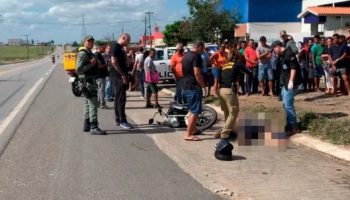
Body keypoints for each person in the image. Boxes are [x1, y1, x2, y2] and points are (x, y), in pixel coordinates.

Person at [215, 52, 251, 139]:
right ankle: (225, 133)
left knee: (227, 112)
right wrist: (250, 73)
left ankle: (229, 130)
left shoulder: (224, 65)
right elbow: (247, 71)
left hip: (221, 90)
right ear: (238, 57)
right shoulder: (237, 63)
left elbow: (219, 79)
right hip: (228, 91)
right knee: (234, 112)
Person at [76, 35, 106, 135]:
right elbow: (79, 70)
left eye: (92, 41)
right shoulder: (83, 54)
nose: (90, 43)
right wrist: (91, 65)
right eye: (88, 41)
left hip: (89, 81)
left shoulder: (89, 53)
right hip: (87, 82)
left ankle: (87, 124)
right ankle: (93, 126)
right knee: (93, 104)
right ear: (84, 42)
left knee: (88, 103)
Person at [272, 40, 301, 136]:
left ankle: (294, 127)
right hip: (285, 83)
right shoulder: (281, 55)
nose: (274, 51)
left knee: (288, 104)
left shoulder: (288, 53)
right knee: (285, 104)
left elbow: (294, 67)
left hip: (290, 82)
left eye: (274, 49)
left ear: (278, 47)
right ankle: (289, 124)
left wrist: (291, 81)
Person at [182, 41, 207, 141]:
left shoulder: (186, 55)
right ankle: (188, 134)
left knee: (192, 109)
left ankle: (193, 128)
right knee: (195, 111)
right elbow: (197, 73)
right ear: (200, 47)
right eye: (203, 48)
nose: (203, 50)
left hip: (186, 85)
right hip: (193, 87)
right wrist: (203, 86)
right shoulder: (196, 56)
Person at [110, 33, 132, 129]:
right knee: (121, 99)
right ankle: (122, 120)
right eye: (128, 41)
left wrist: (126, 54)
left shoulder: (120, 48)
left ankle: (118, 119)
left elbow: (125, 62)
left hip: (119, 76)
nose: (128, 43)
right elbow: (113, 61)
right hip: (118, 77)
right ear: (123, 38)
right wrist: (122, 74)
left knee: (118, 98)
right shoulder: (115, 47)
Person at [94, 42, 109, 109]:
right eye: (103, 48)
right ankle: (102, 104)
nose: (104, 49)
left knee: (100, 89)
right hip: (100, 75)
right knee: (101, 90)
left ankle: (99, 103)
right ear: (99, 47)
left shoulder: (99, 54)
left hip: (100, 75)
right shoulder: (97, 55)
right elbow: (99, 66)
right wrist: (106, 64)